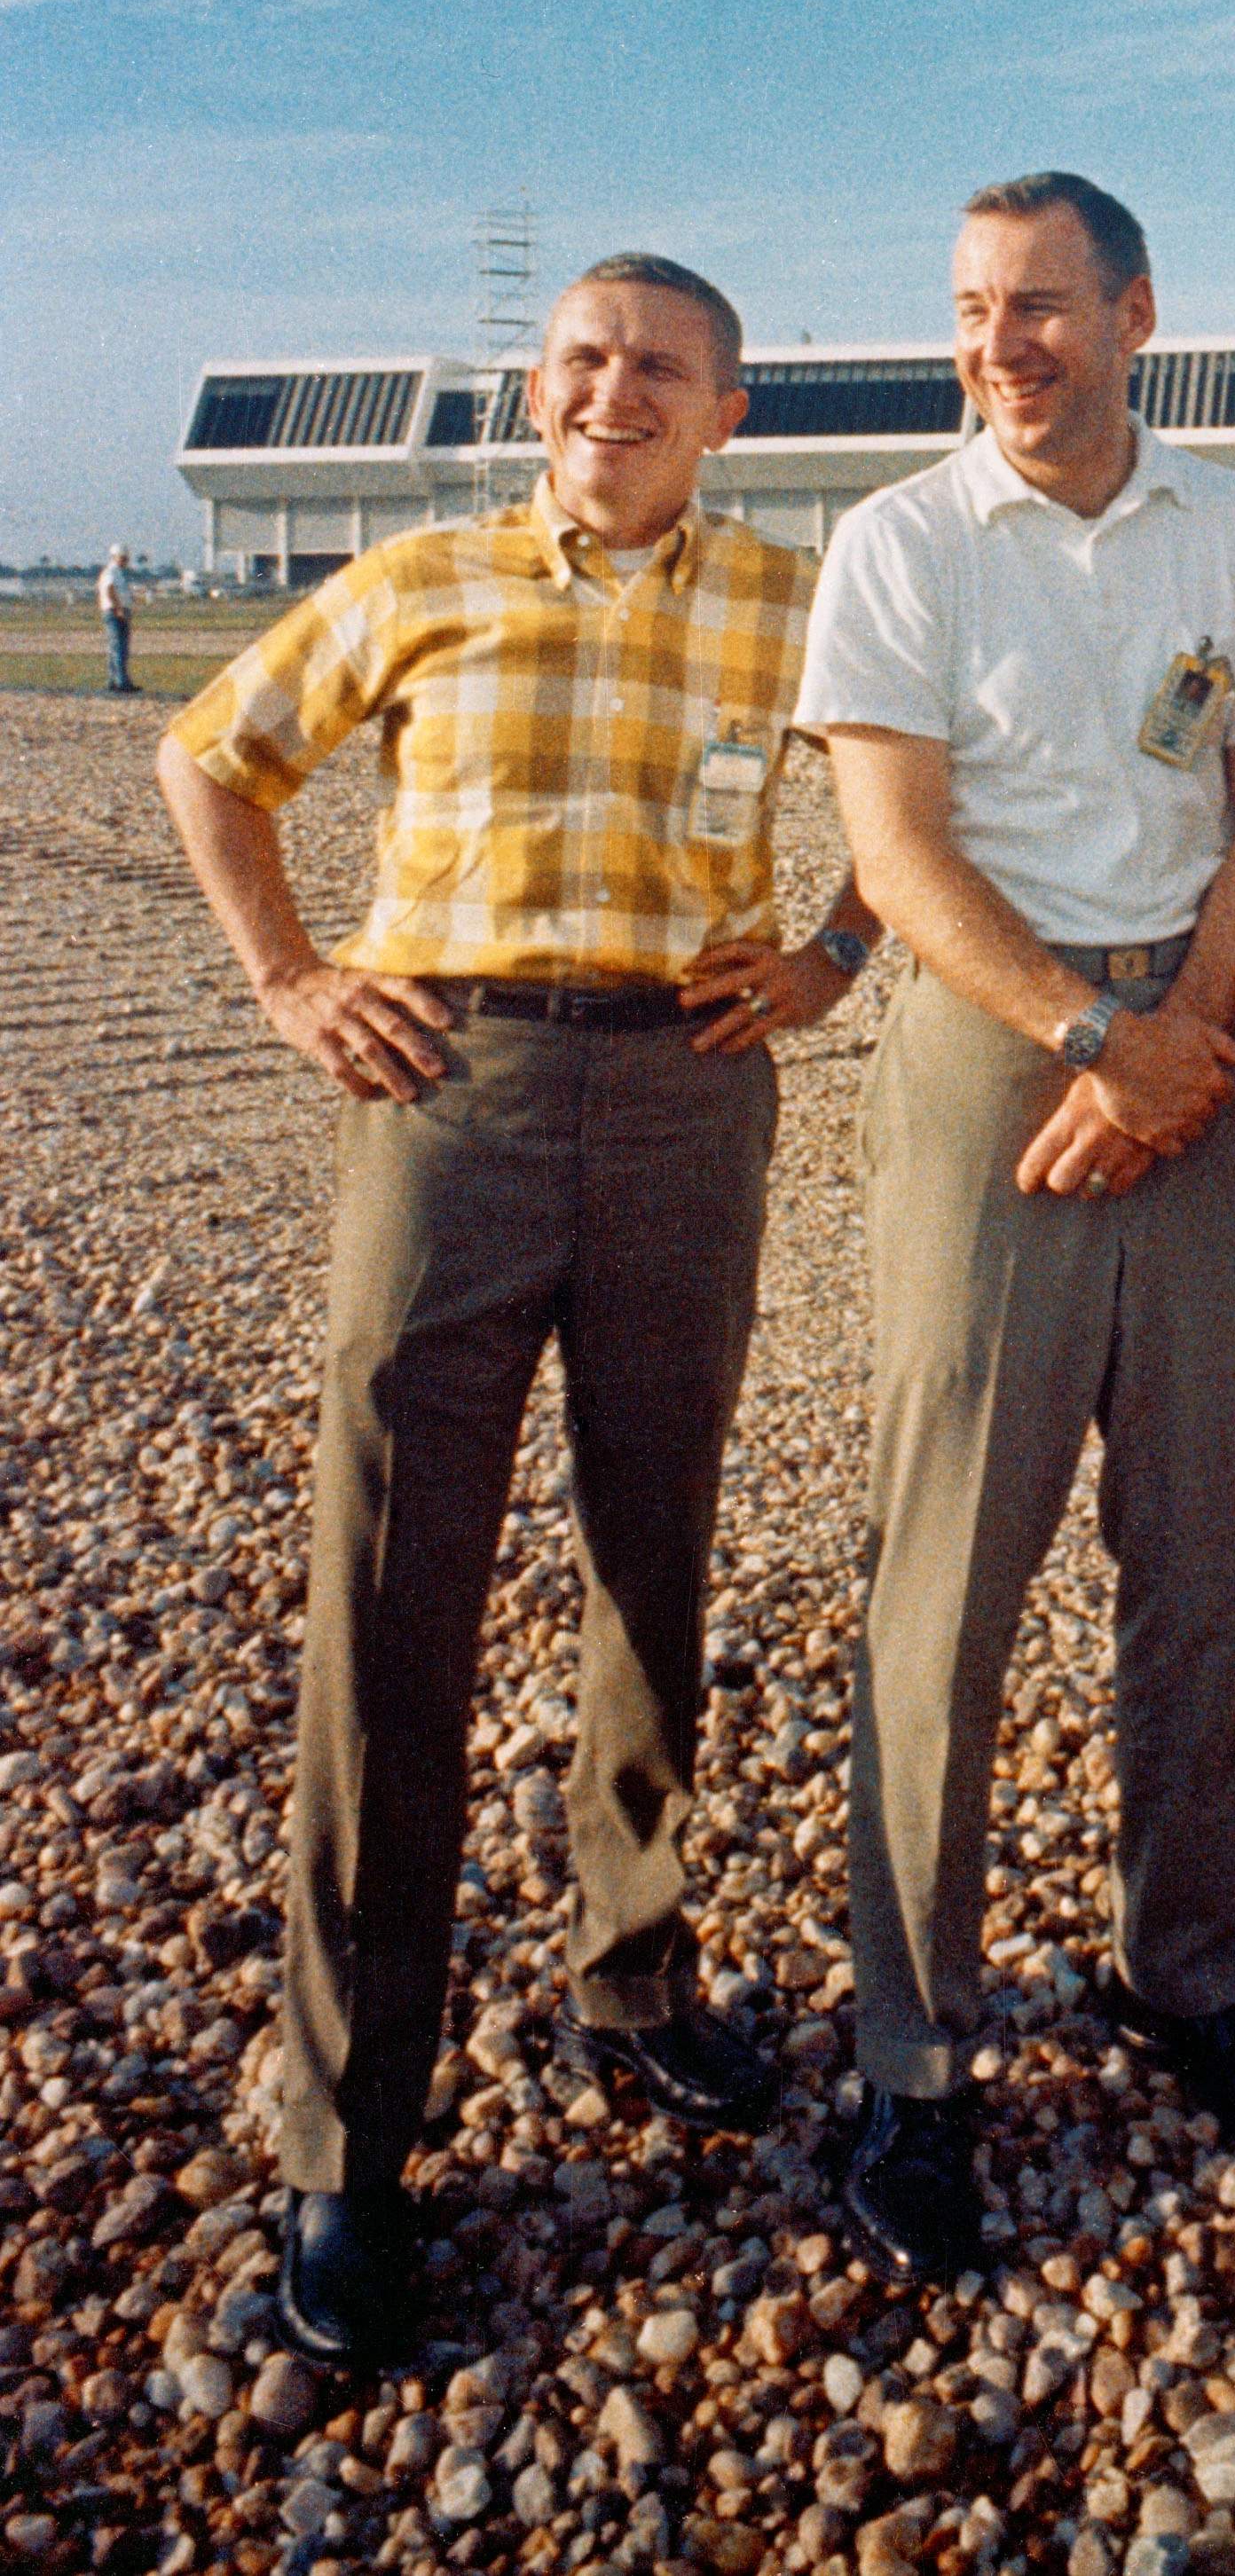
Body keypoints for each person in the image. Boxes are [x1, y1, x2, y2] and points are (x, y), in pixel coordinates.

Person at [156, 255, 878, 2372]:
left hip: (685, 1091)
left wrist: (830, 953)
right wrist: (292, 974)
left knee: (652, 1555)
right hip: (445, 1088)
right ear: (534, 387)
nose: (611, 388)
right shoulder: (419, 573)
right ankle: (345, 2132)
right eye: (579, 358)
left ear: (727, 405)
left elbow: (937, 789)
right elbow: (221, 758)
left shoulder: (796, 597)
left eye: (657, 363)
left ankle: (635, 1979)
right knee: (392, 1590)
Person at [796, 170, 1235, 2281]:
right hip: (995, 1034)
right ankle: (913, 2051)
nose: (997, 342)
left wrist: (1190, 1032)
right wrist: (1083, 1036)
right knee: (943, 1568)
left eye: (1036, 304)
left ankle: (1179, 1968)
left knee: (1196, 1544)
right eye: (966, 308)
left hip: (1197, 1031)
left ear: (1133, 310)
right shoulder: (903, 540)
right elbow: (894, 840)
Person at [98, 543, 133, 695]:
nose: (125, 561)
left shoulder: (117, 572)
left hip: (118, 611)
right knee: (119, 647)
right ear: (114, 557)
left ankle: (114, 681)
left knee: (117, 648)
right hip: (114, 612)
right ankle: (121, 682)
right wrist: (119, 609)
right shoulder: (111, 572)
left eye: (126, 559)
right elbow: (109, 590)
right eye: (122, 558)